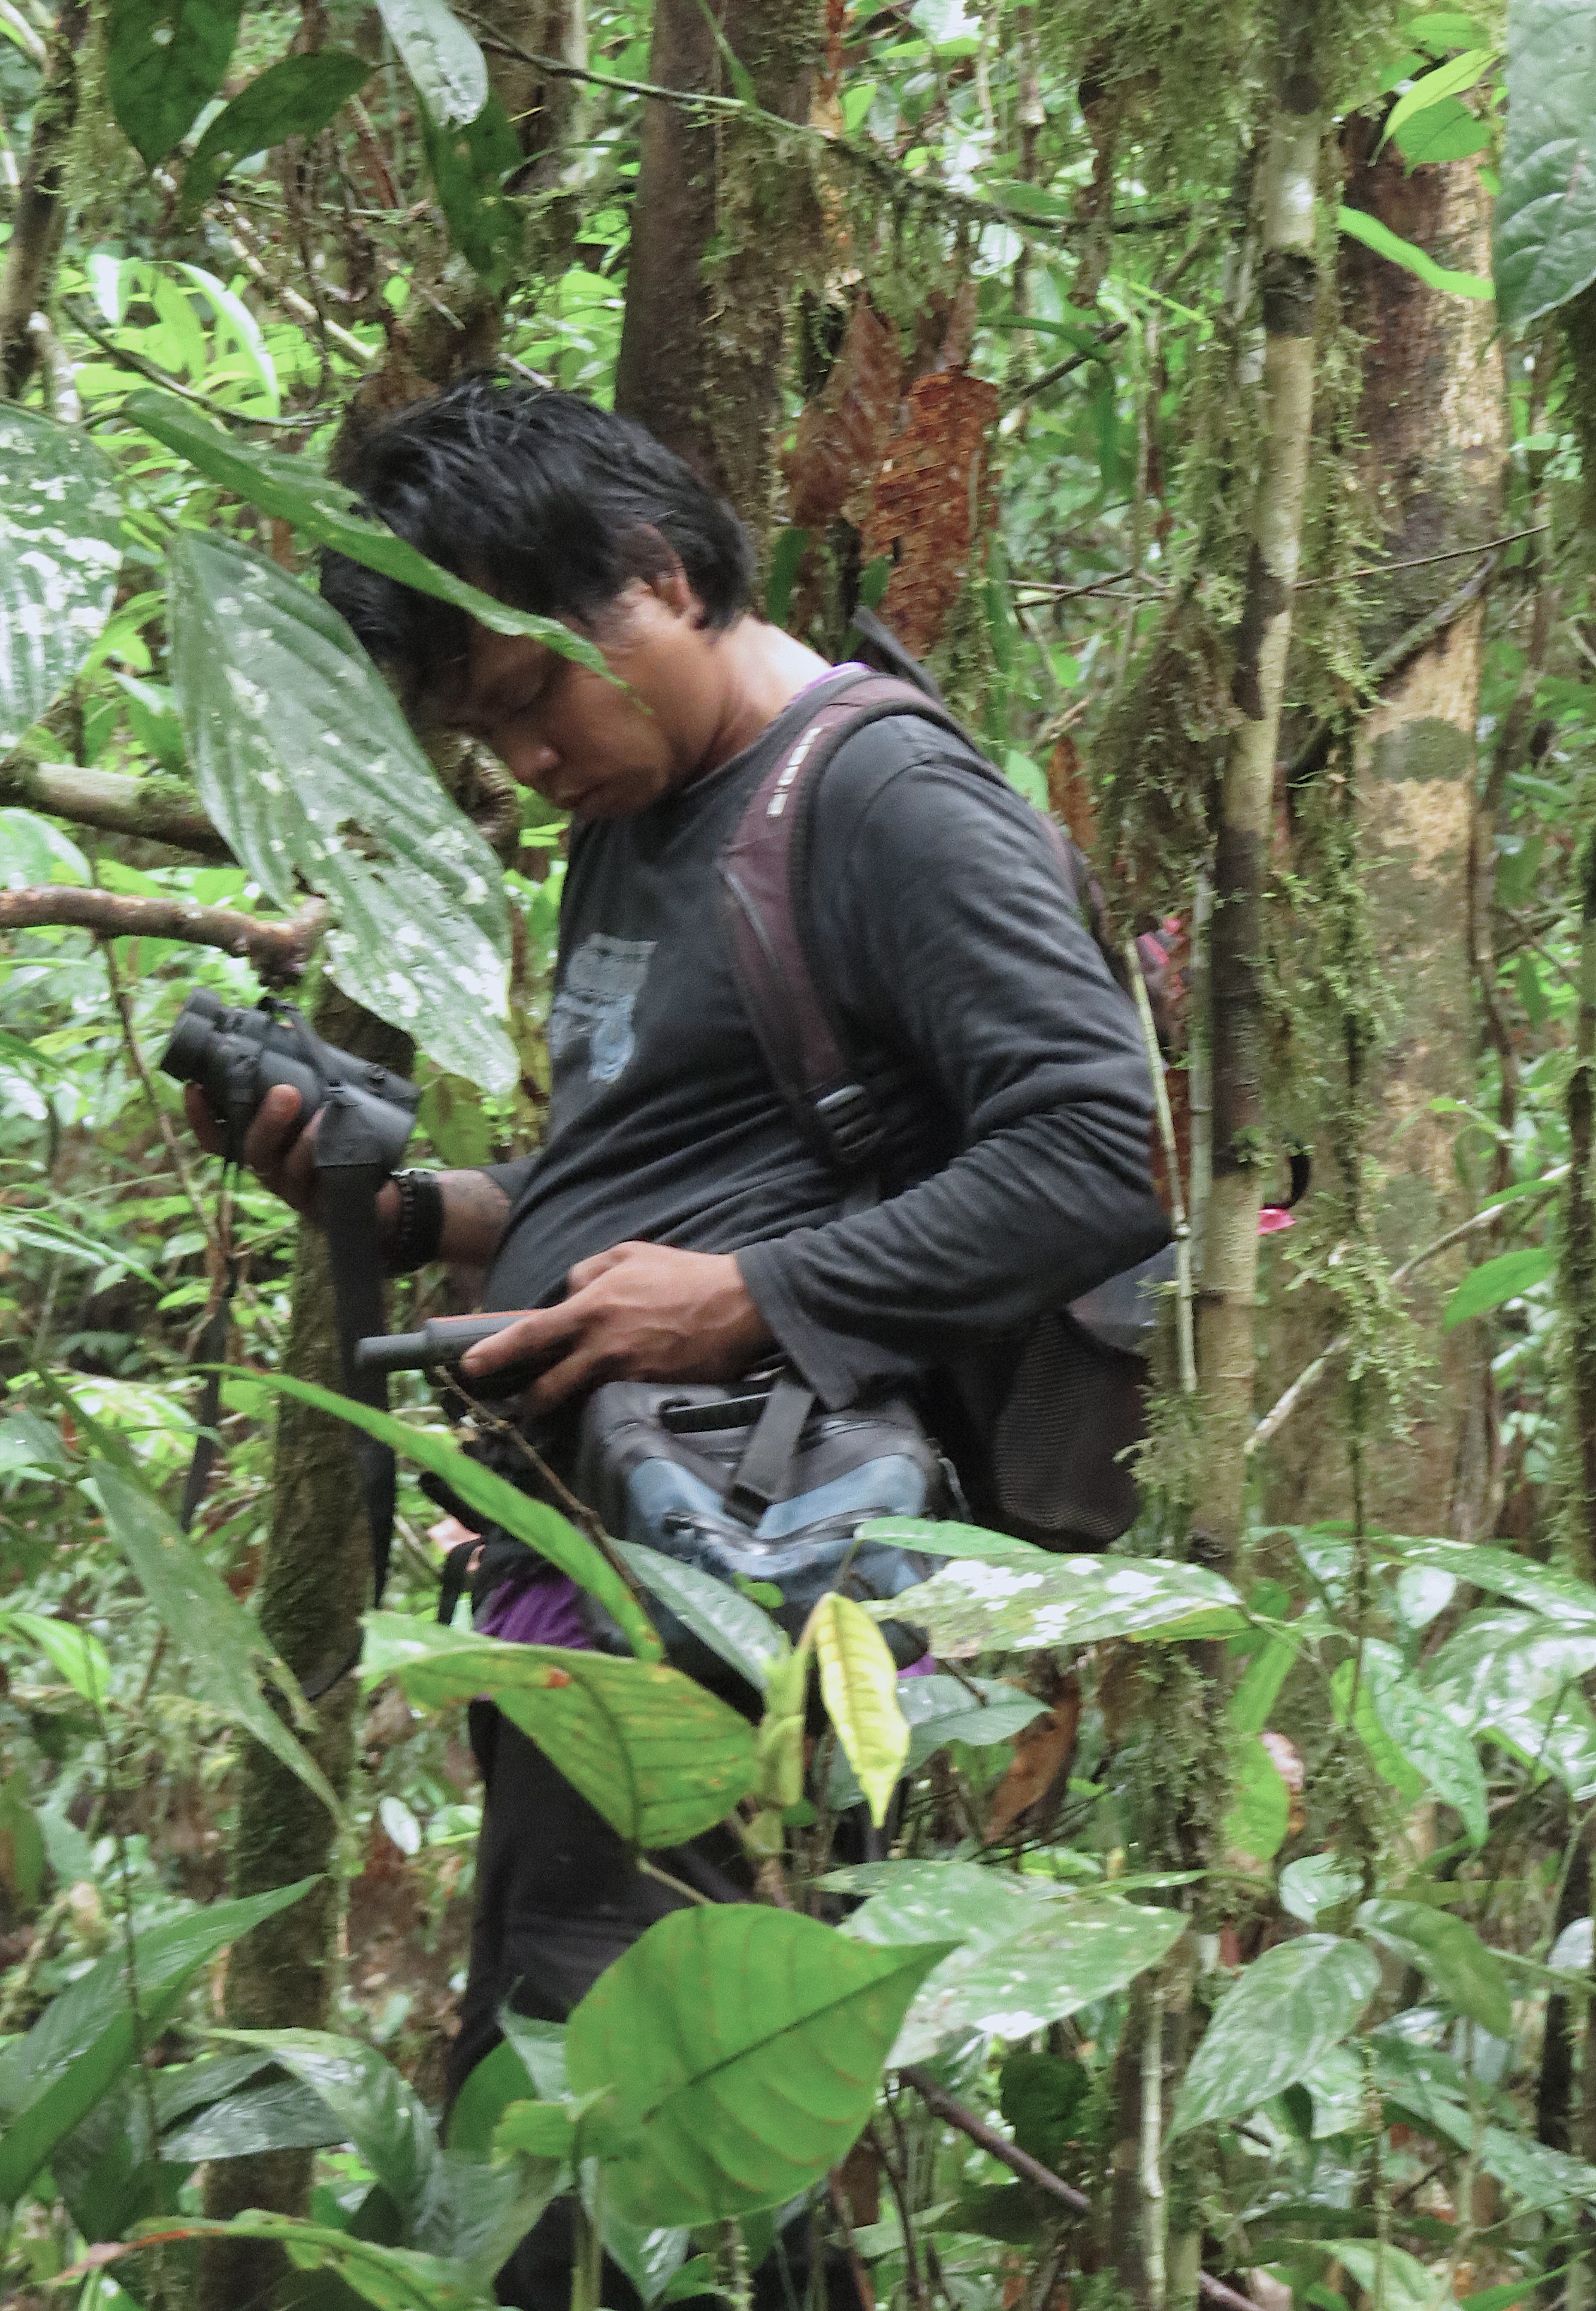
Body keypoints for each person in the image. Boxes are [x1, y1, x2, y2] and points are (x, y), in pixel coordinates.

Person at [189, 376, 1169, 2307]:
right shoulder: (641, 821)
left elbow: (1100, 1156)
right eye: (483, 734)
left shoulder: (882, 799)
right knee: (567, 2077)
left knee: (651, 2113)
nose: (528, 759)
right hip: (606, 1555)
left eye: (538, 698)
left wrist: (747, 1300)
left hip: (755, 1579)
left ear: (661, 578)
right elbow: (672, 1174)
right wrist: (399, 1206)